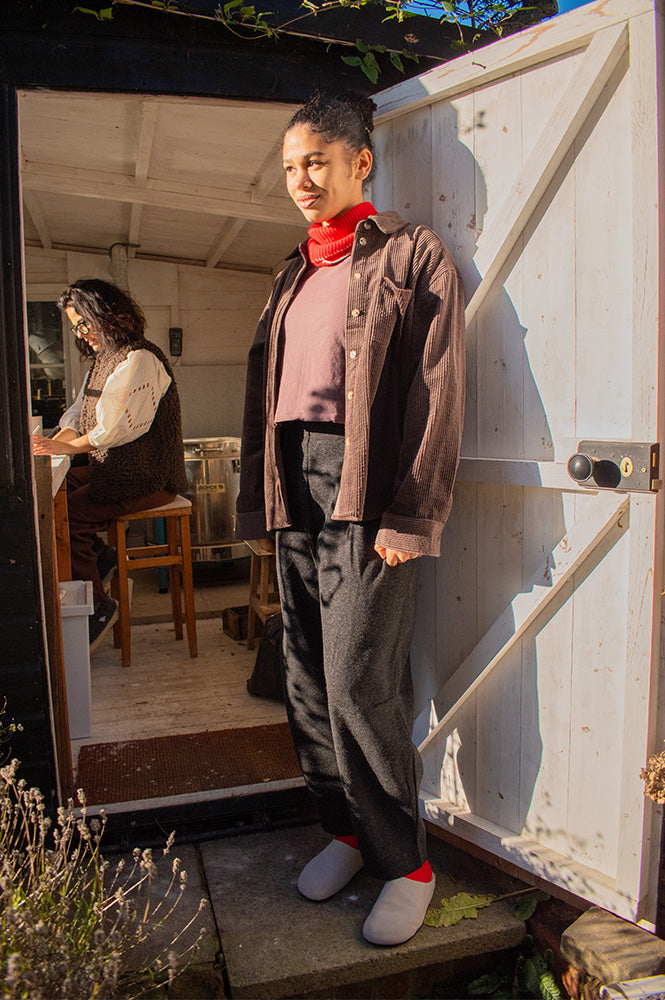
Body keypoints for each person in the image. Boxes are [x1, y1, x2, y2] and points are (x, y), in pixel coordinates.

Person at [235, 91, 466, 946]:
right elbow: (266, 394)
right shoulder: (290, 271)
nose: (301, 179)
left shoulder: (410, 254)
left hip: (364, 482)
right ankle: (345, 831)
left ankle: (405, 865)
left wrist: (411, 514)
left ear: (359, 162)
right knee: (303, 674)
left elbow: (437, 390)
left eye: (316, 162)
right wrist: (260, 495)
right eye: (290, 166)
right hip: (292, 479)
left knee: (358, 679)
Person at [33, 279, 187, 650]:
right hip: (119, 469)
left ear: (107, 315)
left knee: (68, 514)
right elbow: (76, 415)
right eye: (75, 328)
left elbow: (115, 428)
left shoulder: (140, 358)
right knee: (59, 490)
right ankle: (100, 558)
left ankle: (99, 608)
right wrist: (51, 446)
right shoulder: (102, 362)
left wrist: (65, 448)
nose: (81, 335)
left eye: (83, 324)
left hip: (152, 476)